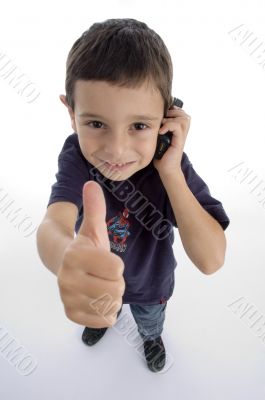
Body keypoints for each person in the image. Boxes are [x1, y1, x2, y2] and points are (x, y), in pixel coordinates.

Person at [36, 18, 230, 373]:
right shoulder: (76, 156)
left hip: (150, 287)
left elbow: (211, 259)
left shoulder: (169, 165)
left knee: (149, 320)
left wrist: (170, 170)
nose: (116, 149)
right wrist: (67, 259)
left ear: (166, 121)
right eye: (95, 124)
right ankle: (99, 322)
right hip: (96, 281)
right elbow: (55, 220)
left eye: (139, 126)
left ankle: (152, 337)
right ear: (71, 113)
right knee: (100, 309)